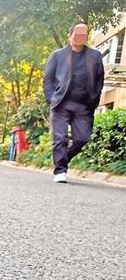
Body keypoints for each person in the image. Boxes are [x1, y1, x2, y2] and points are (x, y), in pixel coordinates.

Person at [43, 22, 104, 183]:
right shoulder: (57, 55)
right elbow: (48, 79)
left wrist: (95, 100)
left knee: (82, 139)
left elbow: (99, 80)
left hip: (84, 106)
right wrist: (51, 99)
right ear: (70, 36)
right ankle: (60, 171)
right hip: (61, 103)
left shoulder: (95, 56)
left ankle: (63, 158)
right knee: (60, 138)